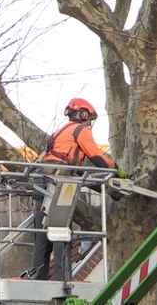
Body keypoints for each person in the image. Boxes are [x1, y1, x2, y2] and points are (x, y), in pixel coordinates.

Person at [32, 97, 118, 281]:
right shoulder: (81, 130)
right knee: (61, 228)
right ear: (83, 114)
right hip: (59, 179)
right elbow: (96, 155)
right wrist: (116, 170)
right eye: (89, 118)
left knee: (42, 233)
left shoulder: (59, 132)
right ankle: (64, 277)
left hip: (44, 178)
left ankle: (39, 275)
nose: (89, 122)